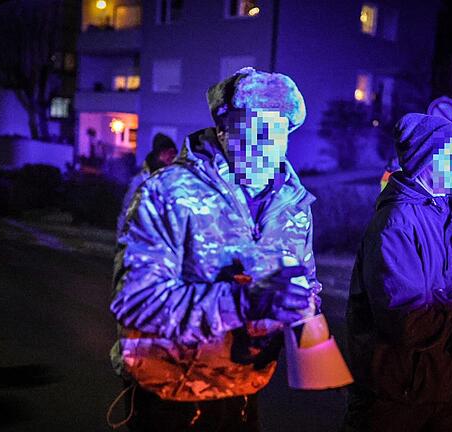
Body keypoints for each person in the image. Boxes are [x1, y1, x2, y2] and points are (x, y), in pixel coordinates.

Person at [110, 67, 319, 431]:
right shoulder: (168, 193)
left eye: (279, 129)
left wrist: (302, 303)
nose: (266, 142)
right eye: (252, 125)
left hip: (244, 392)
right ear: (224, 129)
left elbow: (305, 279)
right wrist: (241, 301)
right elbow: (136, 304)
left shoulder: (292, 203)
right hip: (170, 397)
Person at [343, 114, 452, 432]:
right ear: (426, 159)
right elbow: (408, 321)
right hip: (397, 396)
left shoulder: (443, 213)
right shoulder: (396, 223)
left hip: (437, 388)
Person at [117, 133, 178, 235]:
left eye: (174, 154)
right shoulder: (140, 181)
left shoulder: (171, 180)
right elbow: (127, 212)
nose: (173, 157)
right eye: (170, 152)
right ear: (160, 153)